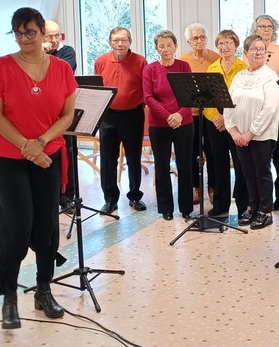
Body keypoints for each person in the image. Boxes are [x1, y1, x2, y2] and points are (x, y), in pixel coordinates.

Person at [0, 7, 77, 329]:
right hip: (8, 157)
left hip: (47, 154)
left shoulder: (62, 69)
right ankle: (9, 296)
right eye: (18, 33)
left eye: (30, 32)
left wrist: (41, 142)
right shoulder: (2, 67)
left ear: (42, 33)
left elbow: (67, 115)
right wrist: (27, 146)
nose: (24, 38)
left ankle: (44, 289)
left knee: (46, 226)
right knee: (17, 225)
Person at [226, 34, 279, 229]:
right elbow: (228, 105)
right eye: (254, 49)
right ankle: (252, 207)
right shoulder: (239, 77)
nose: (259, 52)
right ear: (245, 53)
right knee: (247, 173)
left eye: (262, 49)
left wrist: (250, 133)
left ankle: (265, 211)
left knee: (262, 173)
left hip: (262, 135)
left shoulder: (270, 77)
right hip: (239, 135)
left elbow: (270, 109)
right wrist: (233, 131)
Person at [93, 27, 147, 214]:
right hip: (108, 115)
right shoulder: (101, 61)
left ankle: (135, 196)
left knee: (133, 157)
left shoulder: (140, 61)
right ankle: (110, 200)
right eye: (116, 40)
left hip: (133, 115)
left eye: (124, 40)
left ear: (130, 42)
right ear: (110, 42)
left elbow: (146, 88)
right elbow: (97, 88)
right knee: (108, 159)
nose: (120, 44)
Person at [143, 30, 194, 220]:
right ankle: (166, 209)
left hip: (184, 122)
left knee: (185, 165)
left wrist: (179, 115)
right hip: (159, 124)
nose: (165, 49)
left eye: (169, 45)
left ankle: (187, 208)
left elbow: (190, 94)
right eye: (161, 46)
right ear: (156, 48)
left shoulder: (184, 66)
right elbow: (148, 97)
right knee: (162, 165)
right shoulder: (150, 69)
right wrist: (167, 116)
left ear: (176, 46)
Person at [203, 30, 248, 220]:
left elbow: (244, 100)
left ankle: (242, 205)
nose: (224, 47)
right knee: (218, 163)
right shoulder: (212, 68)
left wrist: (226, 119)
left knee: (240, 164)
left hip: (236, 123)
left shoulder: (243, 67)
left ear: (236, 45)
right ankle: (220, 204)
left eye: (229, 42)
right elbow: (207, 99)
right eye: (221, 43)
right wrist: (216, 117)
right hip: (215, 123)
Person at [252, 15, 279, 211]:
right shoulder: (251, 49)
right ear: (256, 29)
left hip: (277, 108)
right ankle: (260, 196)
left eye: (269, 26)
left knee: (278, 152)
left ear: (274, 30)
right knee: (260, 152)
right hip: (255, 109)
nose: (266, 29)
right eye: (262, 26)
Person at [179, 23, 220, 207]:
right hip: (191, 114)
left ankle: (212, 187)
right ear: (188, 41)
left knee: (212, 151)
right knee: (193, 152)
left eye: (203, 37)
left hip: (211, 113)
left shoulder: (215, 58)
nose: (199, 41)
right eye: (195, 38)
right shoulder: (183, 61)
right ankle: (196, 187)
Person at [44, 19, 78, 212]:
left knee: (68, 155)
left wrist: (43, 54)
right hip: (44, 115)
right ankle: (50, 196)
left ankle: (67, 197)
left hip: (64, 113)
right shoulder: (35, 54)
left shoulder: (67, 52)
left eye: (57, 35)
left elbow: (60, 72)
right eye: (50, 36)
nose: (55, 39)